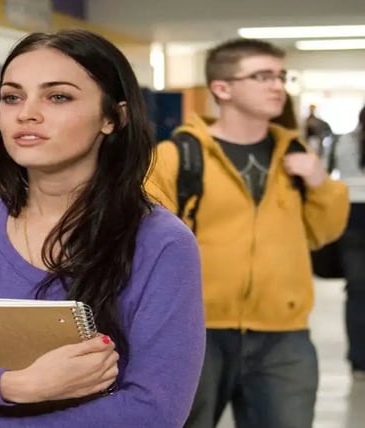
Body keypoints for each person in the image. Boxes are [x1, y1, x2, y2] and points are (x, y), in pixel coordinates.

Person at [0, 29, 205, 427]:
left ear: (114, 117)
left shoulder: (160, 242)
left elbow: (154, 410)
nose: (27, 112)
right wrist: (14, 386)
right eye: (12, 97)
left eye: (57, 96)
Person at [146, 38, 350, 428]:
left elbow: (321, 233)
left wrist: (321, 183)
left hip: (283, 335)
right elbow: (146, 242)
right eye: (261, 76)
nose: (277, 86)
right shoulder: (176, 157)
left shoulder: (295, 156)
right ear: (222, 88)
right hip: (196, 330)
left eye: (279, 76)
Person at [334, 105, 365, 381]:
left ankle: (358, 361)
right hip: (353, 214)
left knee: (356, 291)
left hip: (350, 215)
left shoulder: (345, 141)